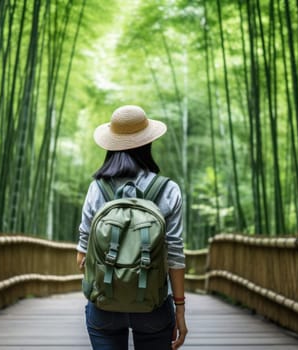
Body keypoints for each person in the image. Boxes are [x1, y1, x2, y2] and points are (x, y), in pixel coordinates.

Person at [76, 105, 188, 350]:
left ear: (110, 145)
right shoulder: (168, 190)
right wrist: (179, 310)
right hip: (153, 306)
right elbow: (175, 257)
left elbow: (82, 256)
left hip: (105, 305)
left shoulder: (97, 188)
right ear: (148, 143)